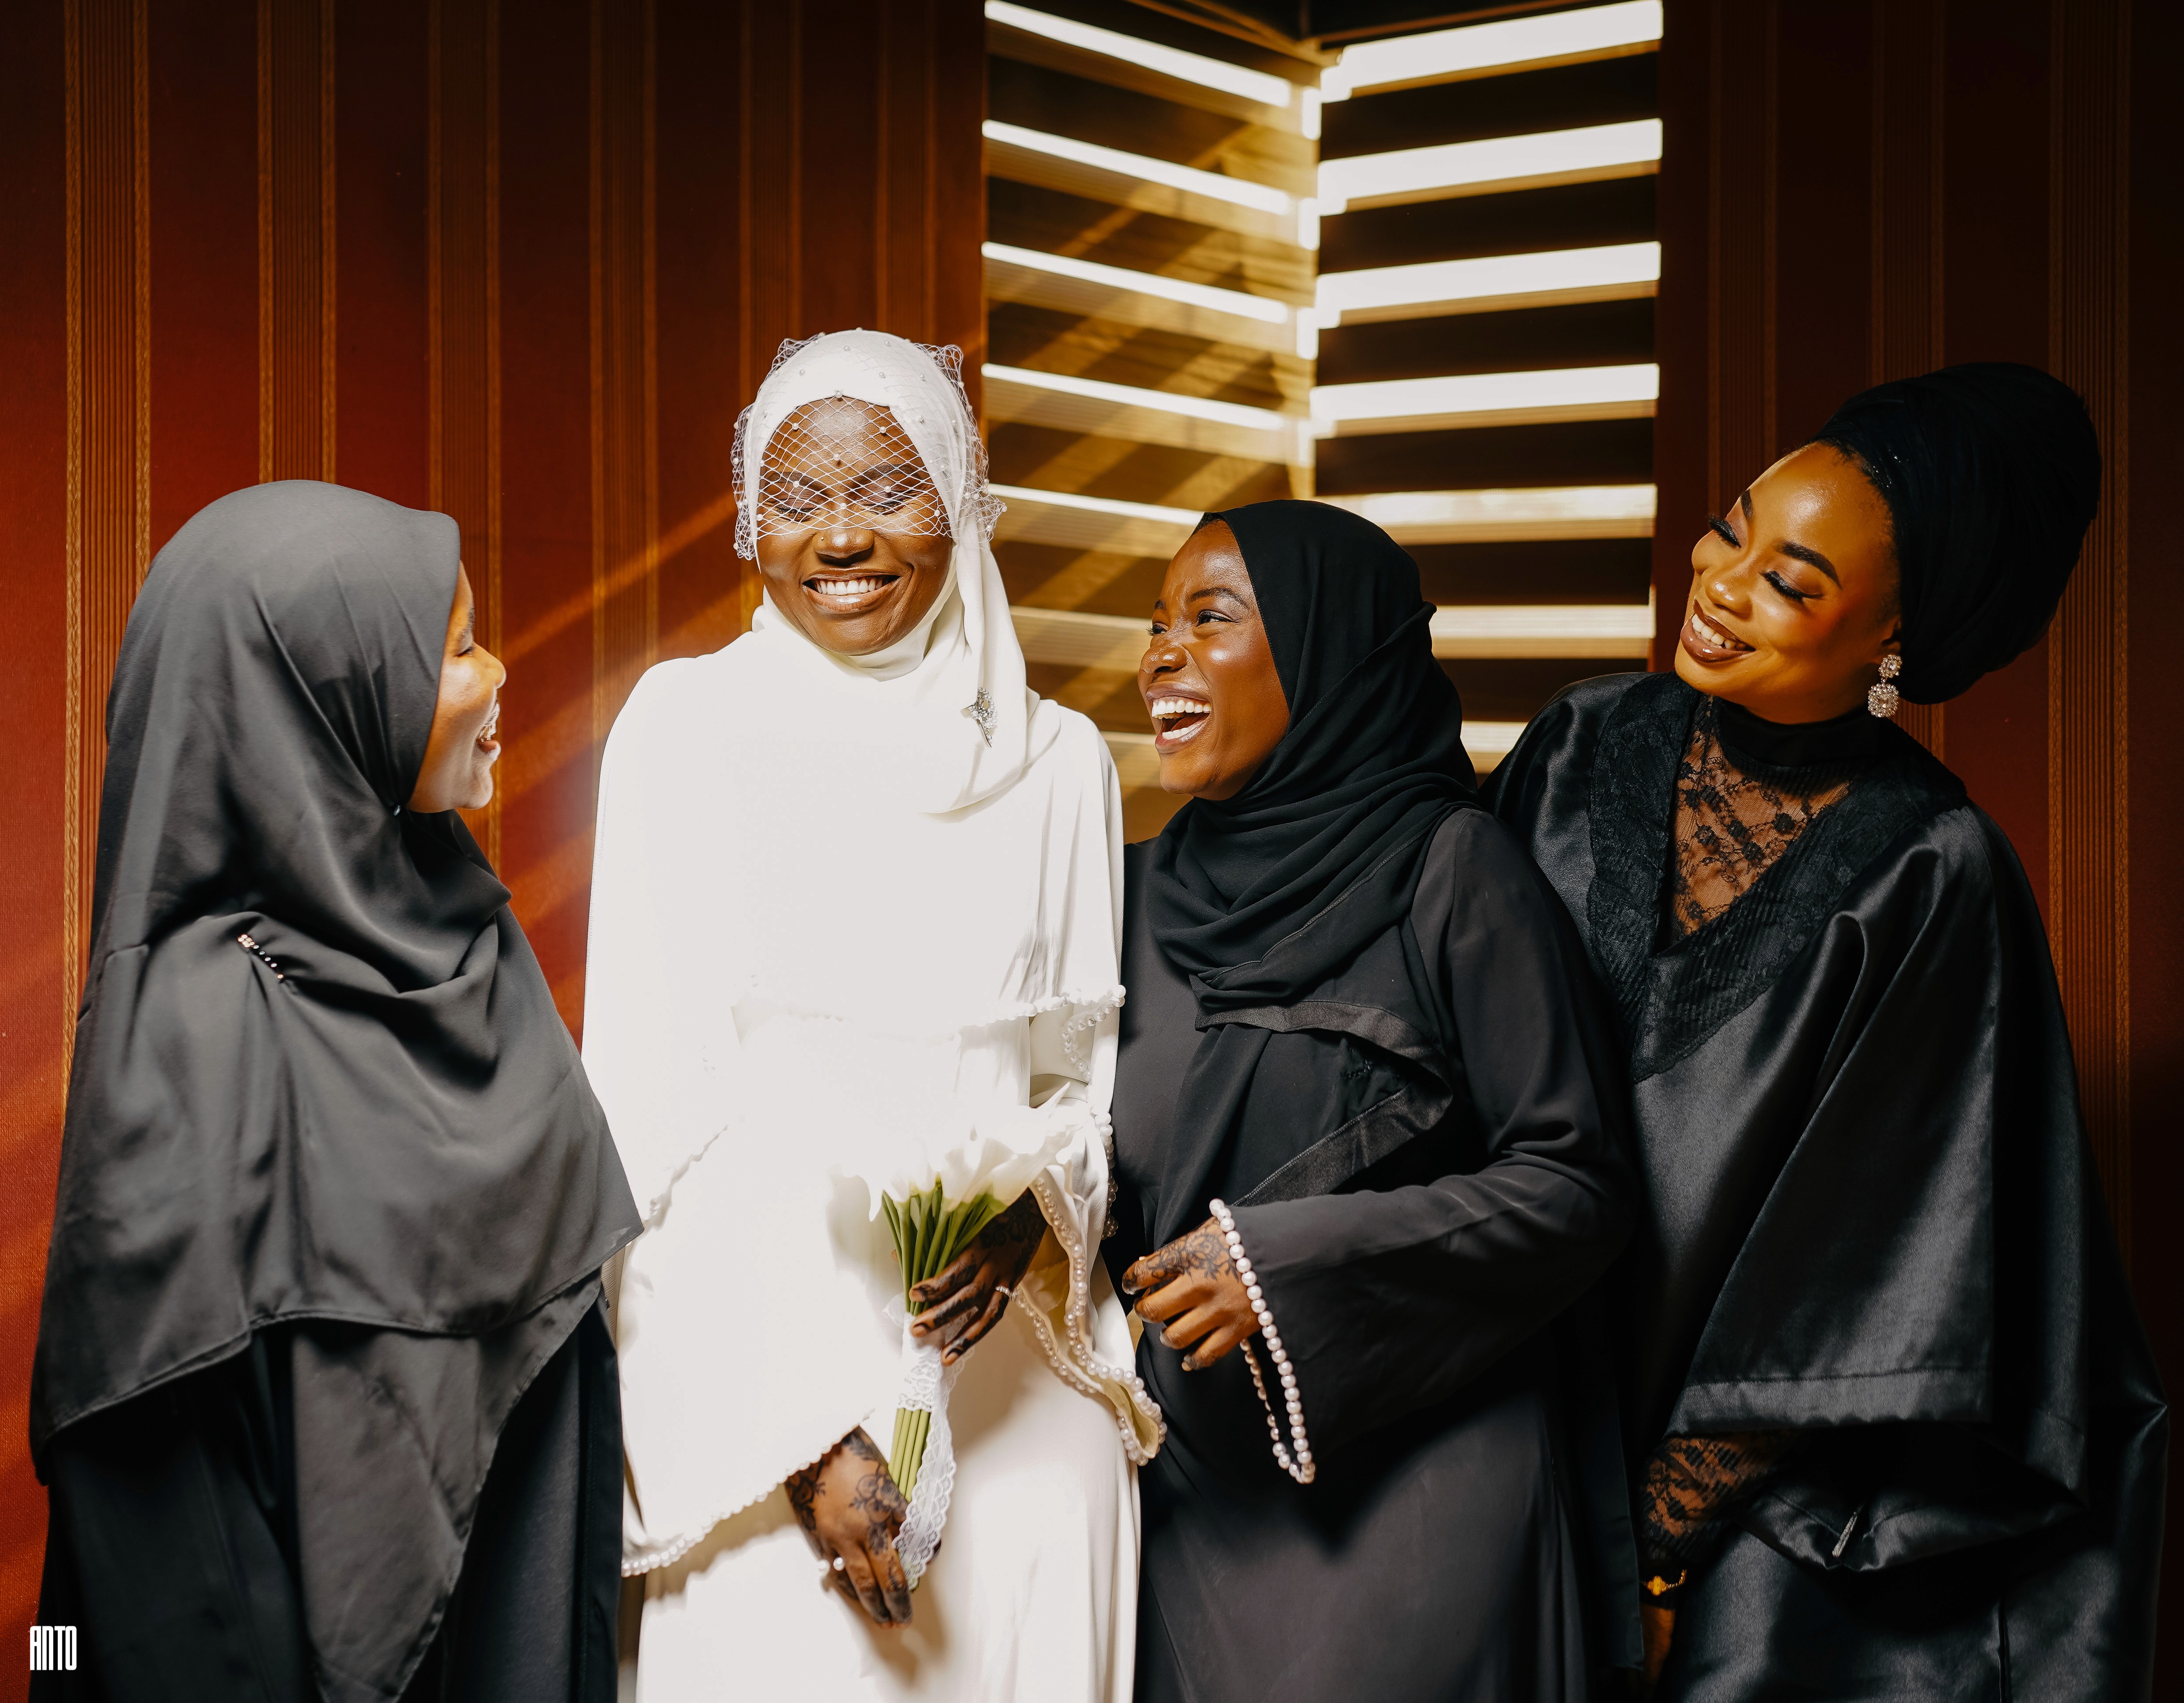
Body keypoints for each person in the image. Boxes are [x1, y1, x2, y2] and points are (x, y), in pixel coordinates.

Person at [1487, 362, 2167, 1700]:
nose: (1723, 582)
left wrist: (1657, 1550)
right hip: (1497, 1421)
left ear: (1896, 649)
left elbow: (1875, 1275)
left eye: (1792, 582)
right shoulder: (1573, 746)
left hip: (1747, 1506)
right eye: (1732, 527)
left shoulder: (1933, 872)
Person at [586, 330, 1162, 1703]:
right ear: (749, 524)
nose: (840, 537)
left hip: (1012, 1393)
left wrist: (1032, 1218)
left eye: (889, 489)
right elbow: (645, 1121)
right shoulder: (684, 731)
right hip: (756, 1391)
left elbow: (1078, 1086)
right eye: (794, 498)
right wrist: (798, 1435)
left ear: (961, 500)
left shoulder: (1061, 760)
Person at [31, 481, 640, 1702]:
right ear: (322, 699)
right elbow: (157, 1514)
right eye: (455, 646)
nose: (497, 672)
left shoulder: (462, 939)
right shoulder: (198, 1038)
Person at [1105, 501, 1638, 1703]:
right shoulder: (1130, 894)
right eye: (1155, 625)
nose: (1161, 655)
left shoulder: (1454, 871)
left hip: (1418, 1497)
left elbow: (1578, 1181)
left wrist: (1286, 1263)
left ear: (1332, 651)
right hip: (1184, 1492)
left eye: (1212, 619)